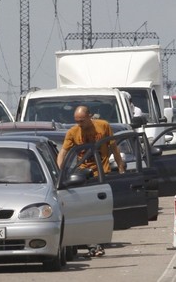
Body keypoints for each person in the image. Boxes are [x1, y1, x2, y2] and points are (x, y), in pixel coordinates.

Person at [56, 105, 125, 258]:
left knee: (100, 209)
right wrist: (62, 171)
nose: (79, 124)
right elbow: (63, 153)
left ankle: (97, 242)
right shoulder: (73, 132)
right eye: (76, 121)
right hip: (83, 175)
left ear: (90, 116)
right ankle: (95, 244)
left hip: (101, 173)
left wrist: (120, 167)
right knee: (87, 210)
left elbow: (113, 147)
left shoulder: (103, 126)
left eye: (82, 120)